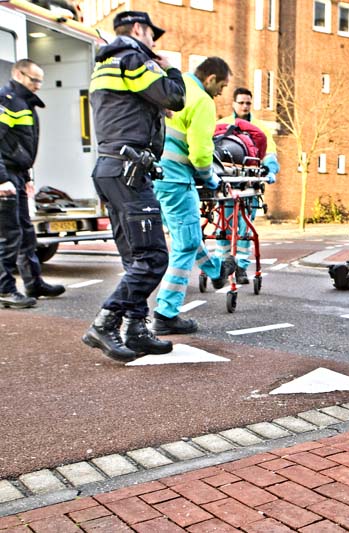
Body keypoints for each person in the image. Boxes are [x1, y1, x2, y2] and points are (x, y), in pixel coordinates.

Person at [82, 11, 186, 362]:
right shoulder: (132, 58)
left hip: (111, 168)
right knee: (154, 257)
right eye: (152, 36)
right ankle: (106, 321)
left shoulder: (108, 64)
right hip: (129, 170)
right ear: (139, 30)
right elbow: (174, 98)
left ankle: (136, 328)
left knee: (135, 258)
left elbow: (132, 107)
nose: (155, 44)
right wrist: (170, 69)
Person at [151, 57, 236, 335]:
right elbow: (200, 154)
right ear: (210, 78)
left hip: (155, 177)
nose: (222, 93)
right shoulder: (201, 99)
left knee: (186, 235)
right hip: (176, 179)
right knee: (186, 245)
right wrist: (211, 179)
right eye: (221, 86)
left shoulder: (177, 85)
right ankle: (166, 312)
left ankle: (215, 271)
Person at [0, 59, 66, 309]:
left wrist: (25, 177)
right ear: (18, 74)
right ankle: (5, 289)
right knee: (8, 236)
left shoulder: (23, 102)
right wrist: (2, 179)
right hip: (5, 177)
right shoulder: (7, 101)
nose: (38, 85)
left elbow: (18, 144)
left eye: (40, 80)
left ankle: (33, 283)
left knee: (26, 233)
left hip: (16, 175)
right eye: (33, 79)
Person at [217, 87, 279, 284]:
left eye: (248, 103)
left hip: (249, 184)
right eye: (241, 102)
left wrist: (270, 170)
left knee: (244, 228)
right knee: (223, 226)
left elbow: (269, 154)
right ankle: (223, 264)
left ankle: (241, 267)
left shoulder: (260, 128)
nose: (245, 106)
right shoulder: (221, 125)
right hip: (226, 183)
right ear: (234, 103)